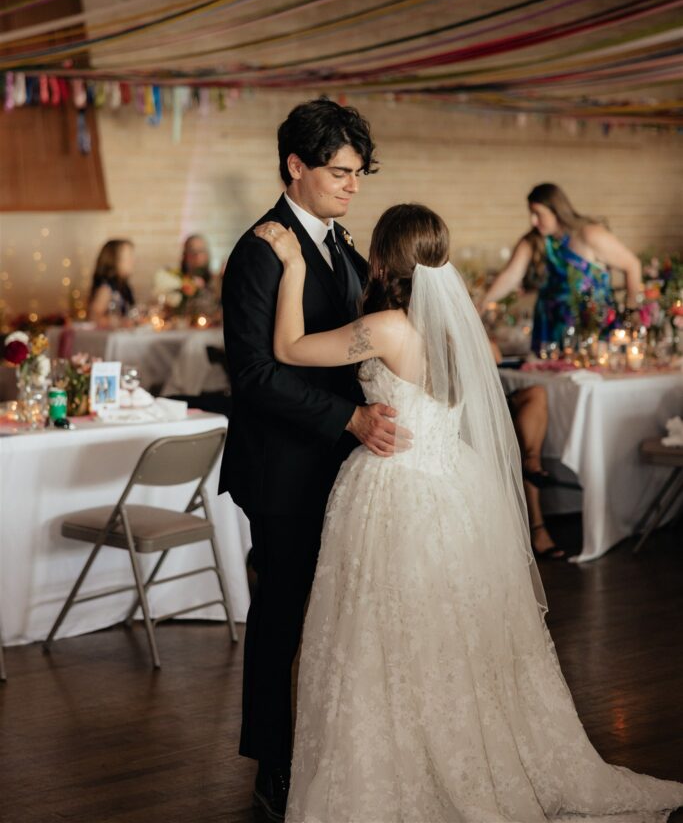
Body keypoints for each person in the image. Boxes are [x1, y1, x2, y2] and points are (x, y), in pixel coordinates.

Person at [256, 203, 683, 823]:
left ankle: (404, 767)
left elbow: (288, 348)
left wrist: (294, 265)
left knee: (387, 639)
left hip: (395, 493)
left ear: (383, 258)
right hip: (455, 488)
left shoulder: (387, 328)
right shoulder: (465, 332)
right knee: (455, 635)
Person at [218, 98, 411, 822]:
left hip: (343, 465)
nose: (352, 185)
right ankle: (272, 762)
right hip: (284, 469)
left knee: (338, 615)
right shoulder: (258, 251)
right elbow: (255, 374)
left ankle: (337, 747)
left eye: (359, 173)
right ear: (295, 166)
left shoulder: (341, 243)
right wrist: (349, 418)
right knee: (282, 616)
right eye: (339, 172)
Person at [480, 183, 641, 353]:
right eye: (531, 214)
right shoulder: (534, 241)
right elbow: (511, 275)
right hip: (549, 329)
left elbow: (632, 265)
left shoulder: (589, 234)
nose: (533, 221)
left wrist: (631, 310)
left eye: (538, 214)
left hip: (591, 328)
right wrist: (484, 301)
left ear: (556, 210)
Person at [491, 340, 565, 559]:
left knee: (537, 393)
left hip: (496, 402)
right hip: (466, 406)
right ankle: (538, 529)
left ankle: (531, 460)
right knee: (523, 441)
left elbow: (496, 356)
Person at [88, 239, 135, 327]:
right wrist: (120, 322)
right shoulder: (106, 288)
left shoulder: (124, 287)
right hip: (110, 335)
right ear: (114, 260)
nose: (132, 261)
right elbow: (94, 317)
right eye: (128, 257)